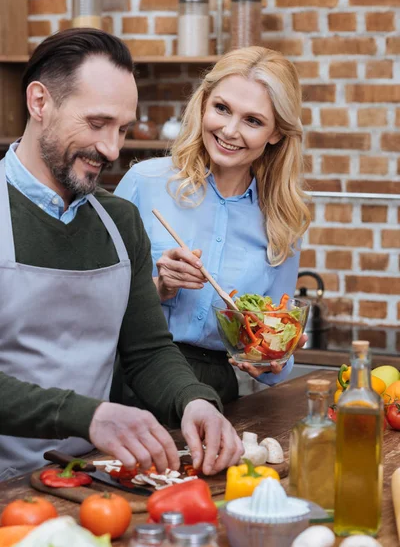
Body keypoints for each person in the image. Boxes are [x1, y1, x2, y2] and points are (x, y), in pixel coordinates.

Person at [0, 27, 244, 482]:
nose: (112, 149)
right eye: (96, 124)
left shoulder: (119, 221)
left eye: (123, 129)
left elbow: (148, 351)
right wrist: (89, 415)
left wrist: (194, 400)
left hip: (85, 477)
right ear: (39, 103)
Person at [115, 46, 310, 404]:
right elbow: (97, 303)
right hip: (134, 376)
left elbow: (272, 342)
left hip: (218, 388)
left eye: (253, 120)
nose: (230, 130)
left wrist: (275, 355)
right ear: (204, 104)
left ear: (276, 133)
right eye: (222, 108)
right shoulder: (145, 183)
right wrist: (159, 286)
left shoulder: (282, 221)